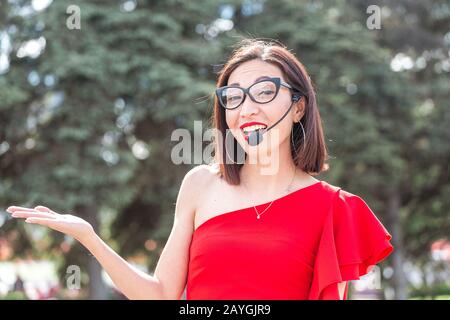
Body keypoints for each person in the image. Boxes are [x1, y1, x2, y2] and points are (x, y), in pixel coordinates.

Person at [6, 39, 394, 300]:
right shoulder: (200, 185)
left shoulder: (334, 208)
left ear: (298, 107)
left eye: (263, 92)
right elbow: (160, 294)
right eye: (234, 97)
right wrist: (90, 236)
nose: (247, 109)